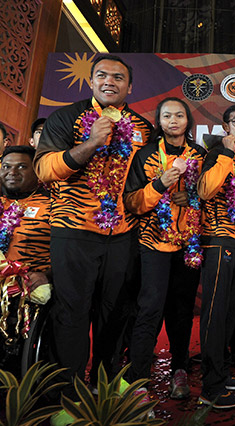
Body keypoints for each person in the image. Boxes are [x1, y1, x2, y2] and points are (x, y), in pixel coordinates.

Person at [34, 55, 153, 399]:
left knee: (115, 314)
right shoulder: (66, 118)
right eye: (102, 75)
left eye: (118, 77)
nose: (109, 82)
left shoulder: (142, 128)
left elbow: (142, 181)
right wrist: (90, 144)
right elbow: (44, 170)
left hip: (122, 234)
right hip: (72, 231)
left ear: (129, 87)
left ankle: (108, 386)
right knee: (71, 314)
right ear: (91, 81)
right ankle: (67, 397)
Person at [123, 97, 206, 399]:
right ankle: (138, 381)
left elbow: (211, 197)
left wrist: (192, 197)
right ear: (159, 121)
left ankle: (179, 371)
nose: (173, 120)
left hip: (188, 244)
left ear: (188, 121)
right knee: (149, 309)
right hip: (152, 243)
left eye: (179, 115)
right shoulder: (145, 155)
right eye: (167, 115)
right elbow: (131, 202)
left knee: (182, 310)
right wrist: (160, 185)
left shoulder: (199, 154)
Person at [197, 104, 235, 409]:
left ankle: (221, 372)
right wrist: (226, 154)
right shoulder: (217, 153)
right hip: (218, 241)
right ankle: (210, 386)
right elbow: (205, 190)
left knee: (231, 315)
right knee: (215, 314)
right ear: (225, 126)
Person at [0, 146, 52, 371]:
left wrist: (48, 275)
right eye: (6, 167)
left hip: (28, 287)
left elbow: (68, 254)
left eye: (22, 166)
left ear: (37, 172)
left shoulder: (53, 207)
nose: (12, 172)